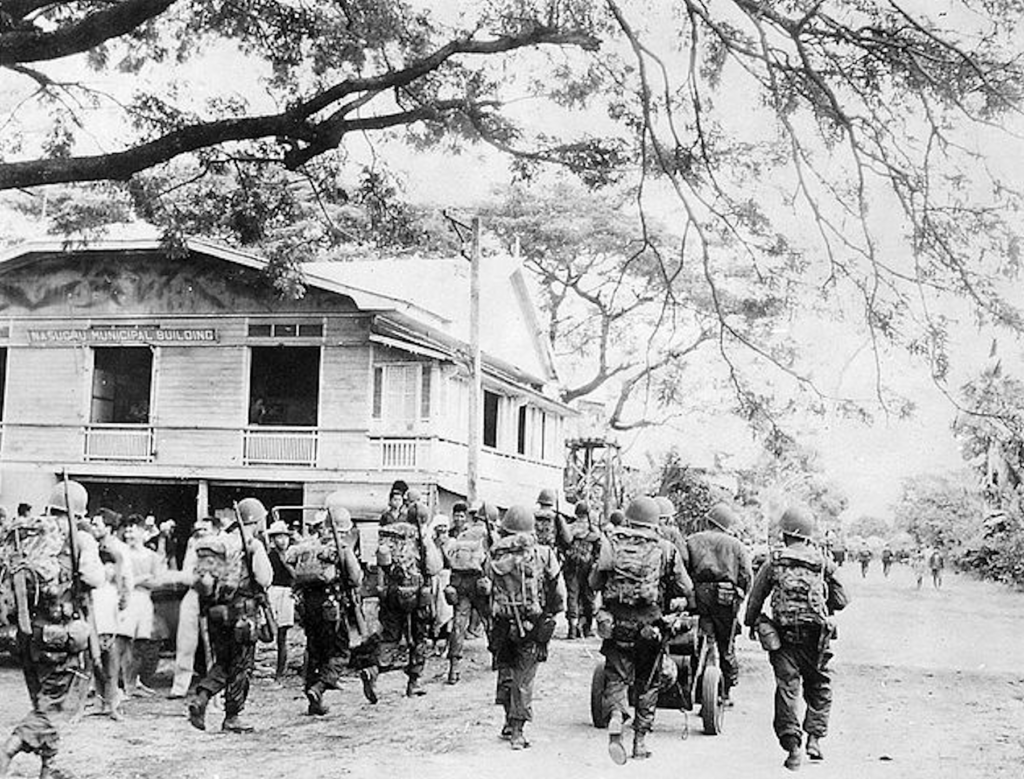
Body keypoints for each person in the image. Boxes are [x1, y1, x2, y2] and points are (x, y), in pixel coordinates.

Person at [0, 480, 105, 779]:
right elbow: (94, 578)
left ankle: (50, 765)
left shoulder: (26, 535)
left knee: (43, 699)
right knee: (58, 704)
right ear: (80, 511)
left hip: (25, 632)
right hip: (60, 635)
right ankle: (9, 748)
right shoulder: (78, 538)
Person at [589, 496, 693, 764]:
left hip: (616, 623)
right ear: (655, 521)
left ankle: (615, 715)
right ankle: (640, 741)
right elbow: (685, 588)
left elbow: (593, 582)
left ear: (628, 518)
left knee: (617, 677)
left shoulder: (610, 543)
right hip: (650, 626)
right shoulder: (666, 548)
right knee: (648, 682)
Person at [744, 505, 849, 772]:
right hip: (816, 638)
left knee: (787, 689)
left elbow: (756, 599)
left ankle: (793, 749)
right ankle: (814, 739)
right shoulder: (822, 562)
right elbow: (842, 599)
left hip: (783, 638)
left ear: (784, 534)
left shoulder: (774, 562)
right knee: (820, 686)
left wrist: (750, 623)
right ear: (808, 535)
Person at [187, 497, 272, 733]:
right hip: (242, 613)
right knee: (242, 665)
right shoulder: (251, 544)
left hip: (216, 612)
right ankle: (233, 716)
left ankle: (201, 697)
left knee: (223, 661)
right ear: (256, 520)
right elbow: (264, 579)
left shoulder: (220, 542)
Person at [488, 504, 565, 750]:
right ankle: (518, 733)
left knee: (506, 671)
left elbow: (485, 588)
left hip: (501, 623)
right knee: (525, 678)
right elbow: (558, 592)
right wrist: (551, 616)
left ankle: (507, 722)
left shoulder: (495, 552)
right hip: (532, 624)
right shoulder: (543, 553)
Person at [357, 490, 443, 700]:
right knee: (419, 637)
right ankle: (414, 683)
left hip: (391, 593)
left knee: (390, 637)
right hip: (416, 594)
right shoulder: (421, 536)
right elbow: (433, 567)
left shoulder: (389, 532)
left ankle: (374, 670)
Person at [286, 493, 363, 716]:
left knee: (313, 650)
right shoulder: (341, 549)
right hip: (331, 605)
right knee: (340, 652)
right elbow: (355, 577)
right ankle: (319, 688)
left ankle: (312, 699)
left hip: (308, 606)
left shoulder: (310, 547)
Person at [683, 502, 752, 707]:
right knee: (726, 645)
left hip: (698, 597)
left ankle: (696, 688)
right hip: (726, 599)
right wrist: (740, 594)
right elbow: (746, 576)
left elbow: (683, 570)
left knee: (697, 641)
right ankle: (725, 692)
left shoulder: (691, 541)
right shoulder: (736, 545)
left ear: (708, 521)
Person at [442, 500, 496, 684]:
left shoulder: (464, 535)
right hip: (478, 582)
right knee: (489, 620)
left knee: (459, 624)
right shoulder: (488, 535)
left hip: (459, 582)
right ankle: (496, 657)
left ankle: (454, 669)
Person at [169, 516, 218, 699]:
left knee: (213, 642)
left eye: (205, 530)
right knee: (185, 640)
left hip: (214, 596)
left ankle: (214, 686)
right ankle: (180, 685)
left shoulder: (221, 546)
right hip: (194, 592)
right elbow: (185, 573)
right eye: (198, 531)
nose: (201, 534)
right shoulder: (193, 546)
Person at [119, 516, 163, 696]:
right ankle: (122, 686)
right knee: (124, 643)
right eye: (127, 530)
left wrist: (139, 581)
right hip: (128, 600)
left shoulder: (151, 555)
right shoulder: (122, 554)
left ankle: (134, 682)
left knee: (141, 643)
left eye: (132, 530)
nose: (129, 534)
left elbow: (157, 581)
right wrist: (143, 578)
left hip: (145, 601)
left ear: (142, 531)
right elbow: (120, 581)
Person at [559, 501, 600, 639]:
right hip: (587, 566)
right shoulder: (593, 529)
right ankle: (587, 628)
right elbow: (598, 544)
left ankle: (572, 628)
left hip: (571, 565)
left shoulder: (569, 528)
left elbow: (563, 544)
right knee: (588, 596)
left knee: (572, 595)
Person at [266, 520, 295, 682]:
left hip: (287, 593)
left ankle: (280, 671)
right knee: (268, 630)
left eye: (285, 537)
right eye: (279, 537)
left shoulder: (292, 554)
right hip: (273, 591)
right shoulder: (270, 556)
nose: (283, 540)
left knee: (283, 634)